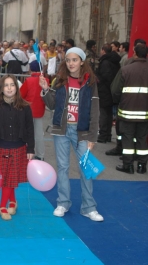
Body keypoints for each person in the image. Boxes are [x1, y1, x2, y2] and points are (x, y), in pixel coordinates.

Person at [39, 47, 104, 222]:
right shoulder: (60, 81)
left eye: (74, 60)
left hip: (82, 131)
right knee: (63, 167)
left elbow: (95, 111)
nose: (71, 63)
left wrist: (92, 136)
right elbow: (53, 105)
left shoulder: (90, 83)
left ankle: (88, 207)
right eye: (68, 60)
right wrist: (45, 90)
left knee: (86, 170)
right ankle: (63, 203)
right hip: (62, 130)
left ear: (82, 61)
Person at [0, 75, 34, 221]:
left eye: (12, 85)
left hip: (19, 147)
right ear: (1, 89)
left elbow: (30, 129)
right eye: (6, 85)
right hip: (1, 147)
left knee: (10, 177)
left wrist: (31, 148)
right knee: (6, 178)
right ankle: (13, 201)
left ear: (16, 88)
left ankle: (2, 206)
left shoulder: (25, 107)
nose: (9, 88)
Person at [111, 44, 148, 175]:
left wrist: (118, 101)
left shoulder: (126, 70)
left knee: (127, 137)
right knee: (142, 138)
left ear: (135, 53)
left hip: (127, 111)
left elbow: (115, 90)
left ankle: (128, 165)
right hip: (145, 113)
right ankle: (142, 166)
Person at [20, 63, 49, 161]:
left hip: (28, 110)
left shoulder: (28, 80)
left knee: (27, 133)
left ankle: (27, 153)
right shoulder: (46, 80)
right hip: (40, 110)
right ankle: (40, 155)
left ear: (30, 69)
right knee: (39, 134)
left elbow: (21, 95)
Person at [95, 43, 120, 143]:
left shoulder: (105, 62)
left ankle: (103, 134)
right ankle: (107, 134)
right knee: (108, 113)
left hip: (105, 90)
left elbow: (106, 76)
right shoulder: (114, 61)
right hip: (110, 90)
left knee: (104, 113)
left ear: (103, 51)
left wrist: (99, 80)